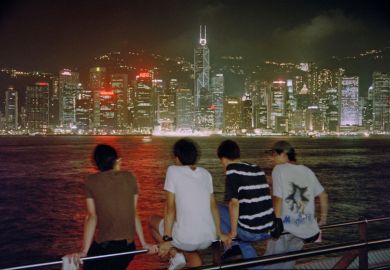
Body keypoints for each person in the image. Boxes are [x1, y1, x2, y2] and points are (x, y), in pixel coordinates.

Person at [65, 144, 157, 270]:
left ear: (96, 163)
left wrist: (84, 251)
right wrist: (144, 243)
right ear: (116, 160)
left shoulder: (91, 181)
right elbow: (133, 213)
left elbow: (92, 216)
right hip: (128, 247)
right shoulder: (130, 177)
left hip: (106, 247)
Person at [149, 138, 226, 270]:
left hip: (186, 239)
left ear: (177, 158)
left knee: (151, 221)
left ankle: (175, 255)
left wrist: (167, 240)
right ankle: (185, 257)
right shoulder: (205, 174)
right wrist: (219, 234)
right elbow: (213, 208)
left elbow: (170, 209)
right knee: (191, 252)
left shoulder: (173, 171)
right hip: (209, 237)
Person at [264, 140, 328, 269]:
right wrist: (322, 219)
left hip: (285, 227)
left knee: (270, 263)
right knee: (288, 263)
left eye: (274, 154)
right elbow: (323, 195)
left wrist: (276, 221)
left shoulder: (279, 169)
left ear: (283, 154)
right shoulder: (307, 171)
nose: (272, 158)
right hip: (304, 228)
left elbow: (278, 197)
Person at [217, 139, 277, 266]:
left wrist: (232, 234)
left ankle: (230, 248)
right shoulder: (257, 168)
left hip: (251, 231)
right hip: (269, 228)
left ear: (222, 158)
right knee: (224, 208)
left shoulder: (232, 170)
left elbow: (234, 204)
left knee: (215, 208)